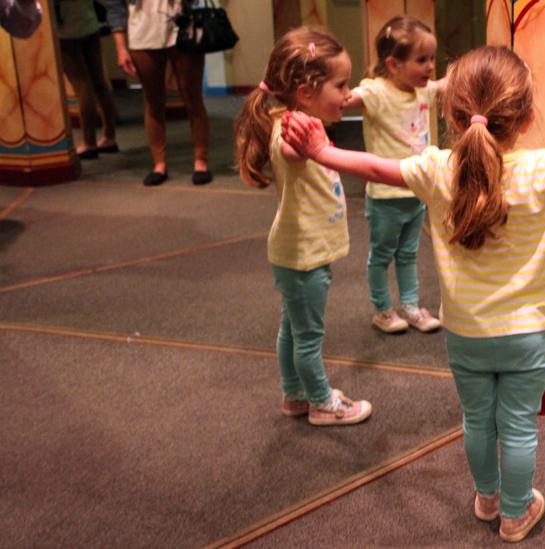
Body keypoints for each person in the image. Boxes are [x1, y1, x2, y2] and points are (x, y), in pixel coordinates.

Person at [281, 46, 545, 543]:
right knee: (521, 426)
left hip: (466, 333)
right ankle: (515, 512)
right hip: (527, 335)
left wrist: (321, 151)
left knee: (478, 420)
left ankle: (487, 498)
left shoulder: (436, 167)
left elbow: (376, 169)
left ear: (453, 116)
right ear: (526, 117)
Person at [233, 27, 372, 427]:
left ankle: (293, 394)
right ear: (306, 91)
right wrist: (316, 147)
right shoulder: (292, 130)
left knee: (292, 330)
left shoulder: (297, 120)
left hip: (298, 253)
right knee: (308, 336)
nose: (347, 94)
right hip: (303, 257)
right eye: (340, 84)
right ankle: (321, 403)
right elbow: (293, 153)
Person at [341, 16, 443, 334]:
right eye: (421, 60)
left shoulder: (422, 92)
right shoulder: (376, 92)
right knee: (382, 255)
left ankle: (411, 306)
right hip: (386, 197)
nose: (429, 67)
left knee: (409, 253)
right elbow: (348, 100)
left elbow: (447, 84)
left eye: (432, 59)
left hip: (417, 192)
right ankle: (382, 309)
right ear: (393, 64)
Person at [106, 0, 211, 186]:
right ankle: (159, 164)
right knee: (153, 101)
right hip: (143, 34)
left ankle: (200, 162)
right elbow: (115, 6)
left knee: (193, 98)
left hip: (183, 27)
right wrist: (120, 47)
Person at [55, 0, 120, 160]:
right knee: (100, 83)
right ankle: (109, 136)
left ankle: (89, 142)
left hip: (66, 31)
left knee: (81, 85)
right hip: (89, 23)